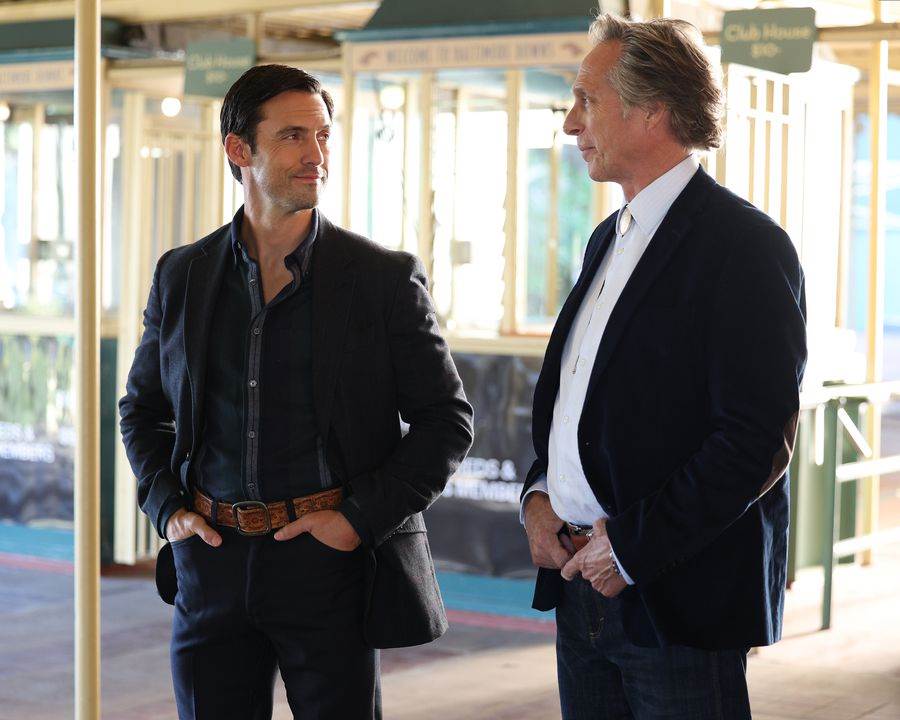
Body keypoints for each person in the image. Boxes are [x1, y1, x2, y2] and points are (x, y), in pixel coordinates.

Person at [119, 64, 473, 720]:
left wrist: (356, 522)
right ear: (238, 149)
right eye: (292, 136)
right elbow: (142, 411)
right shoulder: (182, 275)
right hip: (209, 561)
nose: (317, 155)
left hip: (327, 564)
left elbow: (446, 422)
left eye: (323, 135)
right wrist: (168, 511)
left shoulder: (382, 279)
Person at [520, 13, 807, 719]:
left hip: (675, 603)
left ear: (651, 110)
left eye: (587, 100)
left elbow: (755, 438)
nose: (570, 123)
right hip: (581, 590)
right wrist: (540, 494)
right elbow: (580, 398)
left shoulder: (744, 247)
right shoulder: (607, 237)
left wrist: (632, 550)